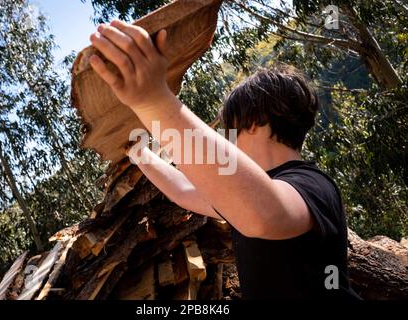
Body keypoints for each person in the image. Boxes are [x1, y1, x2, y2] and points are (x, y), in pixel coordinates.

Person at [88, 20, 359, 299]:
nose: (228, 139)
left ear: (255, 122)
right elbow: (184, 190)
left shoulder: (313, 185)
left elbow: (261, 214)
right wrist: (139, 154)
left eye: (231, 129)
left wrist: (154, 101)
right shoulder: (246, 196)